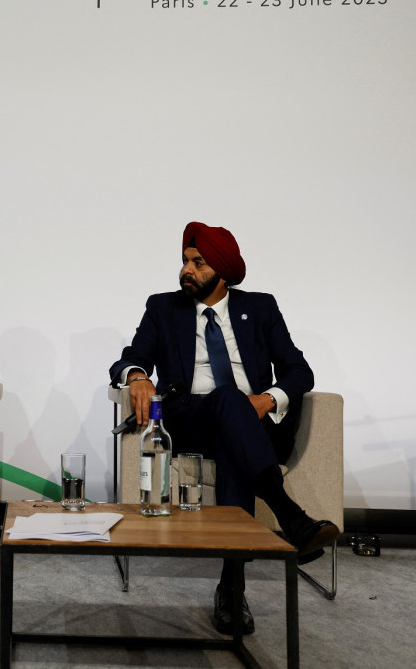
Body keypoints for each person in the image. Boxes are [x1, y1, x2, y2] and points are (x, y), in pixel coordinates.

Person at [109, 221, 338, 635]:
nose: (186, 270)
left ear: (222, 270)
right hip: (190, 419)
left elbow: (299, 371)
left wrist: (268, 399)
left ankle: (232, 587)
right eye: (184, 261)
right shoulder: (164, 308)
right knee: (227, 400)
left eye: (197, 263)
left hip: (255, 424)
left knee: (233, 432)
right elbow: (129, 357)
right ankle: (290, 518)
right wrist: (138, 376)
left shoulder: (261, 307)